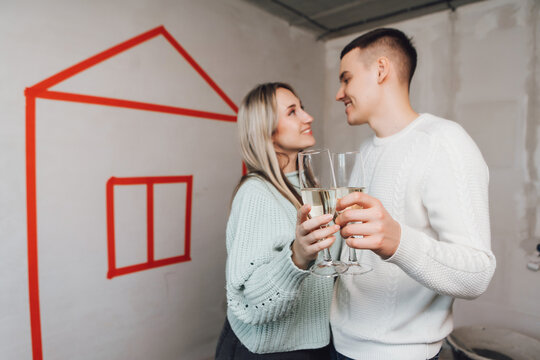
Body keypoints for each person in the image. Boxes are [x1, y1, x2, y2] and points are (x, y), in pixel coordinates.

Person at [330, 28, 497, 360]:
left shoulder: (445, 142)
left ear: (381, 70)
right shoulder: (364, 151)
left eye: (346, 79)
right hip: (339, 343)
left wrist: (397, 240)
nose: (339, 93)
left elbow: (478, 273)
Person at [215, 82, 340, 359]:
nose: (308, 117)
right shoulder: (256, 192)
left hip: (318, 345)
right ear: (267, 132)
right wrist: (298, 256)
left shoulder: (311, 189)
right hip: (273, 352)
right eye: (292, 112)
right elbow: (250, 303)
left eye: (302, 108)